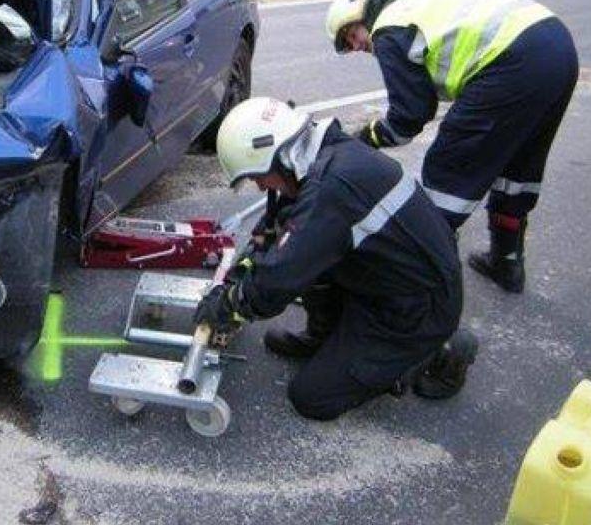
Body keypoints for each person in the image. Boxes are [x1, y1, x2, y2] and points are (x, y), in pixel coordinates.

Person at [194, 98, 477, 422]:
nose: (259, 185)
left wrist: (230, 303)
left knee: (312, 397)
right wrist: (245, 265)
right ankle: (326, 338)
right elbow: (281, 227)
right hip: (387, 282)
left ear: (278, 156)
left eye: (258, 176)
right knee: (312, 258)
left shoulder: (332, 189)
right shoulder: (325, 154)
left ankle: (438, 353)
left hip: (416, 311)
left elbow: (279, 279)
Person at [324, 0, 579, 294]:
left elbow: (409, 117)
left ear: (362, 13)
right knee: (519, 166)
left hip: (510, 62)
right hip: (557, 48)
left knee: (447, 173)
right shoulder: (418, 1)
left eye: (351, 35)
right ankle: (507, 263)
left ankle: (425, 286)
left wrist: (367, 138)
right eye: (348, 45)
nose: (356, 46)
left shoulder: (389, 29)